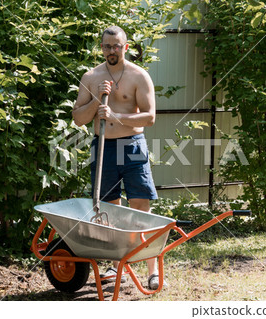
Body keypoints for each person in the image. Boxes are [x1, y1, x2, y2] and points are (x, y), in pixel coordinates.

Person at [72, 26, 162, 290]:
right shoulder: (91, 77)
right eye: (107, 46)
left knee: (140, 209)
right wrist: (96, 100)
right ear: (101, 47)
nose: (112, 50)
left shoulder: (139, 76)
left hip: (133, 145)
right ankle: (117, 268)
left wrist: (116, 116)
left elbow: (150, 117)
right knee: (110, 212)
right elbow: (78, 119)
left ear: (126, 46)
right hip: (104, 147)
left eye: (116, 45)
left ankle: (151, 271)